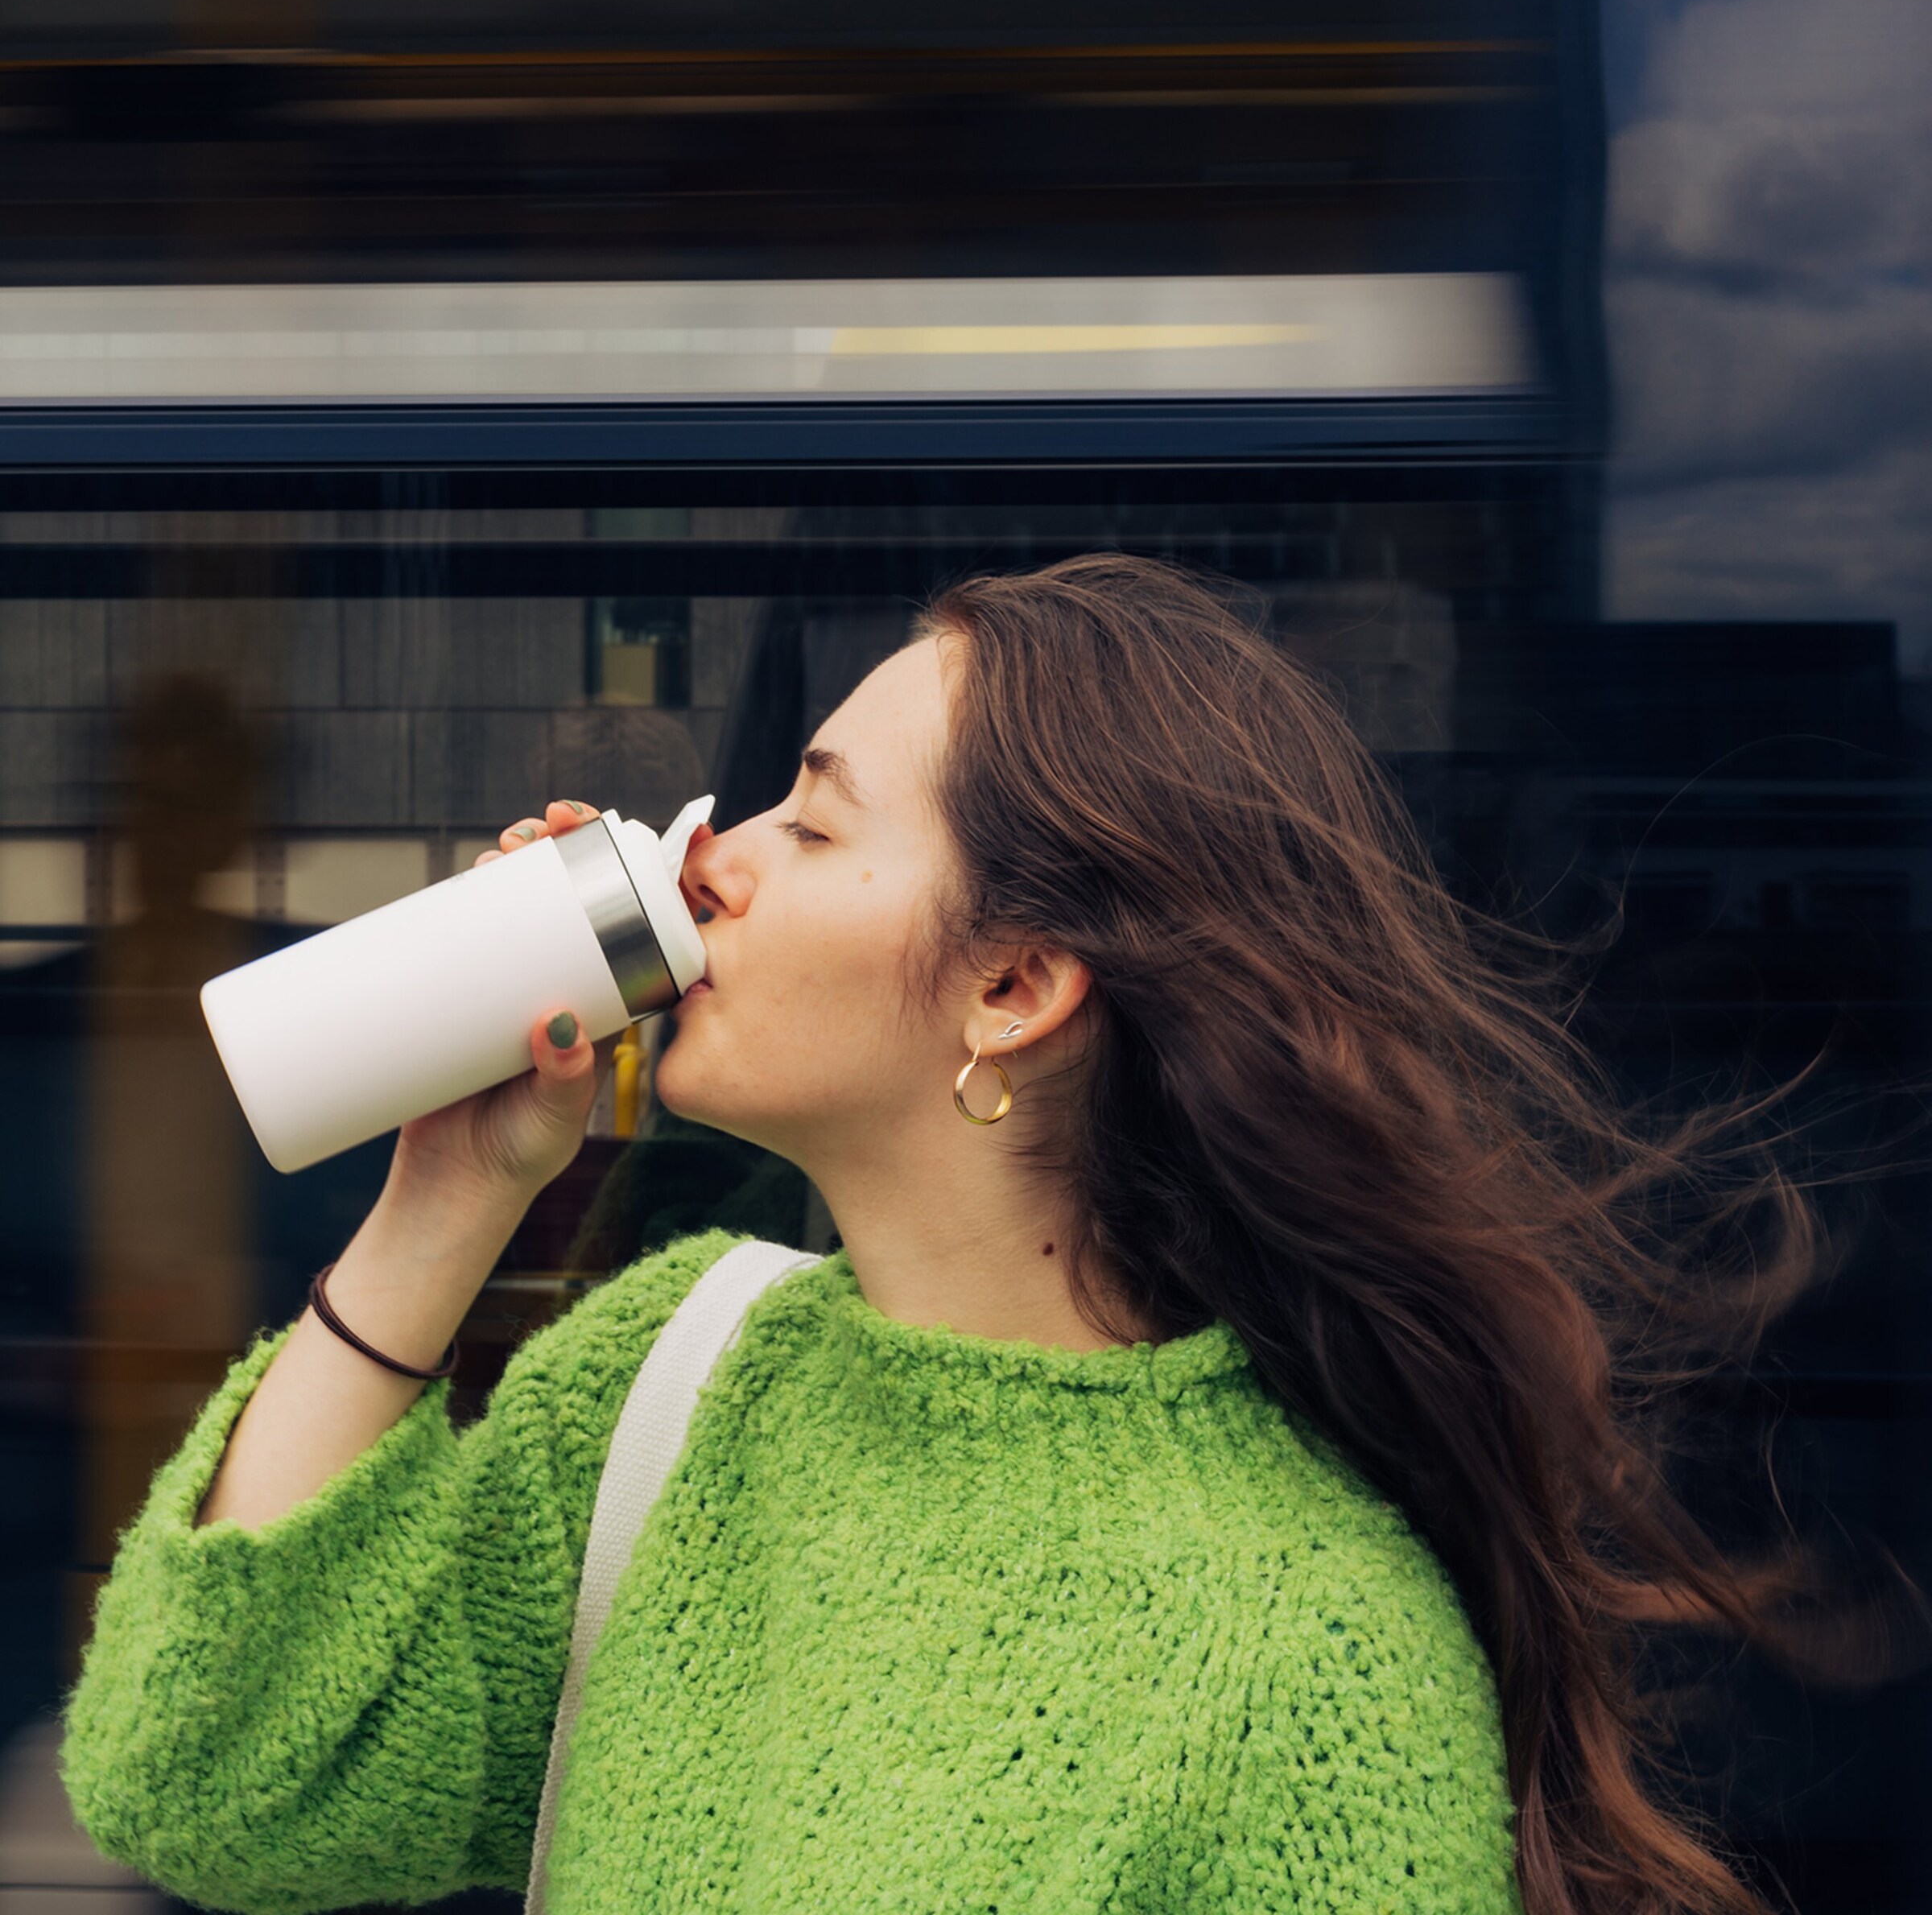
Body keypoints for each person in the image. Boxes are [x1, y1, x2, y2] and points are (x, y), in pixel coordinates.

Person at [56, 554, 1906, 1915]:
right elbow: (208, 1781)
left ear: (1013, 985)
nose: (716, 855)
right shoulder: (679, 1370)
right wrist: (449, 1199)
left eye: (815, 821)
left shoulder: (1309, 1666)